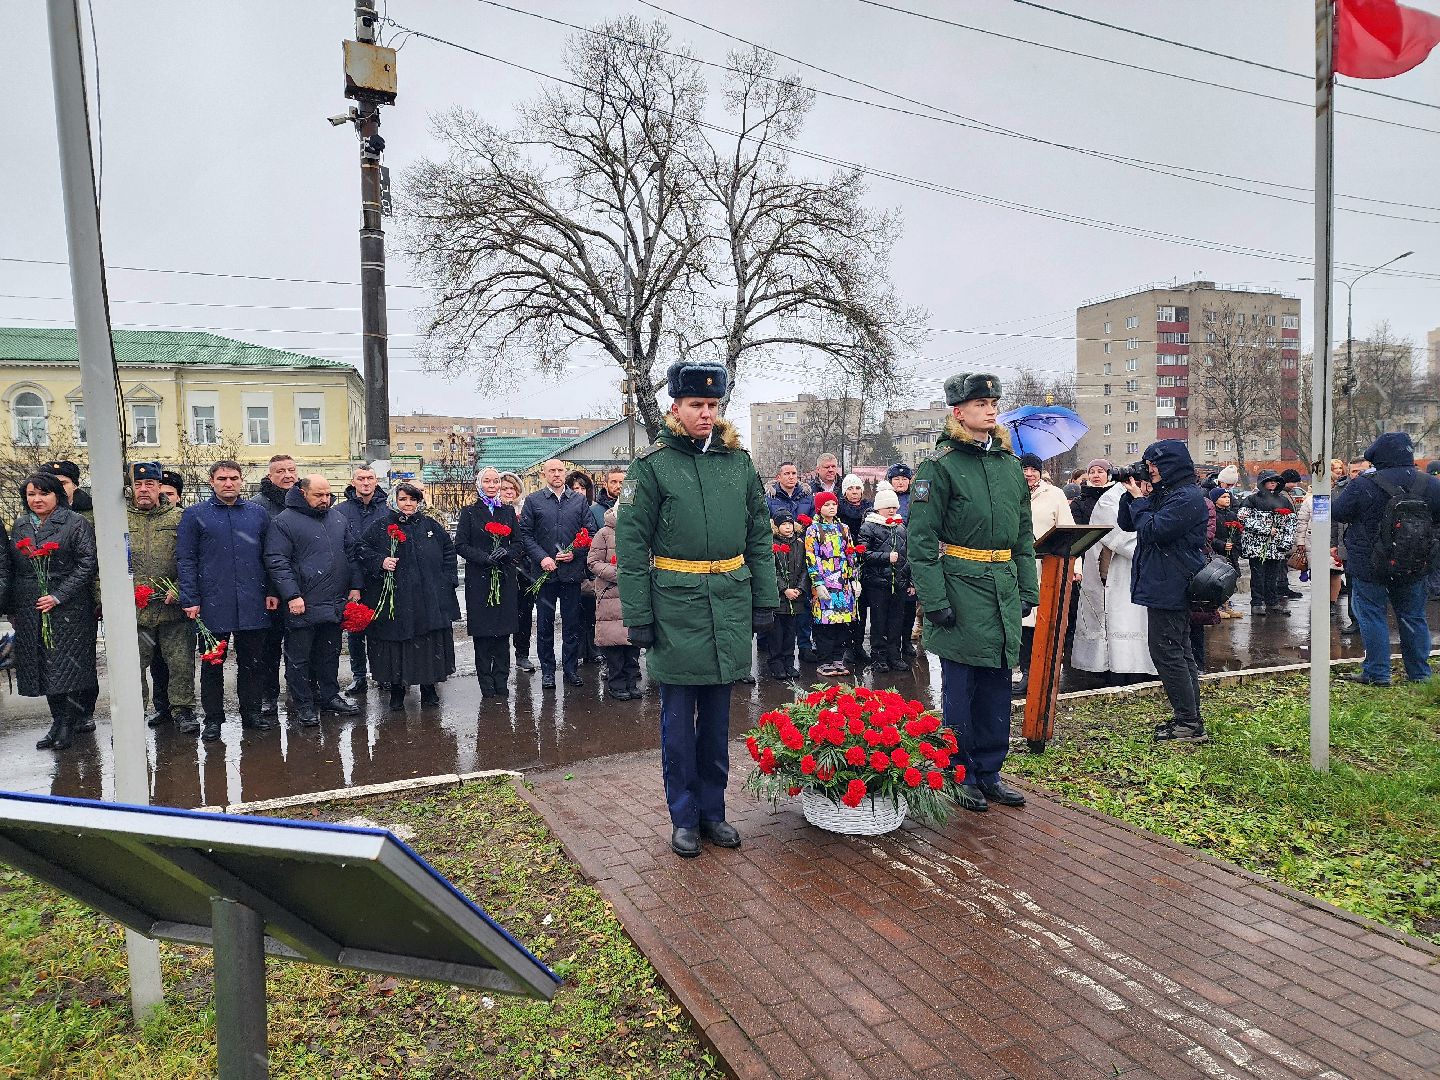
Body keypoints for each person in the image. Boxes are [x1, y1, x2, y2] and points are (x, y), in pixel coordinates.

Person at [616, 360, 777, 858]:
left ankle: (714, 813)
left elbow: (758, 535)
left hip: (728, 603)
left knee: (718, 724)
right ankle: (683, 817)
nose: (706, 414)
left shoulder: (739, 463)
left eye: (712, 405)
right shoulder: (653, 467)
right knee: (677, 728)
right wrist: (638, 614)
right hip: (675, 609)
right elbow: (630, 544)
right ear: (675, 408)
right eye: (696, 405)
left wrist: (764, 599)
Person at [909, 373, 1036, 812]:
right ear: (957, 411)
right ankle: (958, 772)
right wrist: (935, 600)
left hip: (1001, 587)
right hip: (961, 587)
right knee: (961, 687)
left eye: (994, 401)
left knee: (998, 683)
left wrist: (1028, 588)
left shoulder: (1008, 465)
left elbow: (1023, 535)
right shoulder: (939, 467)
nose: (991, 408)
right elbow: (921, 541)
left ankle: (990, 770)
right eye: (981, 402)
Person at [1117, 440, 1210, 742]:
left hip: (1173, 583)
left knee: (1168, 653)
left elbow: (1153, 530)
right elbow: (1128, 524)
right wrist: (1130, 494)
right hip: (1163, 580)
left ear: (1172, 464)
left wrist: (1140, 500)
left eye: (1154, 464)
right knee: (1178, 652)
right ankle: (1189, 718)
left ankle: (1189, 723)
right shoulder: (1168, 494)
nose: (1150, 470)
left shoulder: (1187, 498)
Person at [178, 460, 275, 740]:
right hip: (212, 602)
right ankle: (213, 719)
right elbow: (186, 559)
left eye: (233, 478)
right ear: (212, 481)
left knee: (252, 662)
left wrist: (270, 591)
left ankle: (252, 713)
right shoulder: (195, 515)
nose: (228, 483)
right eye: (222, 478)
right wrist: (190, 598)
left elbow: (270, 557)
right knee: (212, 664)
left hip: (253, 600)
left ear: (241, 481)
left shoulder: (257, 515)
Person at [1334, 432, 1440, 686]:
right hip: (1414, 562)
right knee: (1413, 616)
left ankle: (1378, 673)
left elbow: (1338, 511)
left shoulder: (1364, 484)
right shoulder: (1430, 484)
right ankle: (1420, 674)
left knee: (1372, 615)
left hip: (1371, 563)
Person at [6, 472, 98, 752]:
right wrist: (13, 606)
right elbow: (13, 567)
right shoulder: (22, 524)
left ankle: (68, 724)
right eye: (31, 494)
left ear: (57, 495)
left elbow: (86, 564)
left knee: (66, 666)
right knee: (44, 667)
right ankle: (57, 721)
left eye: (43, 494)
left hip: (68, 605)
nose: (37, 500)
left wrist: (58, 595)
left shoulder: (75, 522)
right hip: (31, 604)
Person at [263, 474, 362, 726]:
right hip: (302, 602)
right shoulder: (284, 521)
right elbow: (277, 561)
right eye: (318, 495)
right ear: (303, 493)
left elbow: (350, 554)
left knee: (330, 653)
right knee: (299, 658)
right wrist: (292, 595)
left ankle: (329, 696)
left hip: (334, 601)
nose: (325, 500)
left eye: (328, 494)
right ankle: (304, 704)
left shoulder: (337, 519)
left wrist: (355, 585)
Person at [361, 481, 460, 709]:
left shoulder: (430, 525)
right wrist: (380, 562)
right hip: (398, 598)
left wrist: (447, 580)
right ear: (393, 501)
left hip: (428, 598)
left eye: (412, 499)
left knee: (427, 644)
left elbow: (448, 550)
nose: (408, 504)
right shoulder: (380, 526)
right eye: (403, 499)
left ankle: (428, 688)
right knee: (398, 645)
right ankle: (397, 690)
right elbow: (362, 550)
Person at [127, 462, 197, 735]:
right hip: (135, 611)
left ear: (159, 488)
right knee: (134, 666)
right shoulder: (120, 518)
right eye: (138, 485)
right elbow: (103, 564)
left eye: (150, 485)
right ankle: (134, 714)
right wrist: (108, 598)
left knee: (180, 663)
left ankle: (182, 710)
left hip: (172, 609)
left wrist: (180, 589)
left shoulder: (179, 518)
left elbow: (192, 559)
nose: (144, 490)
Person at [38, 460, 101, 730]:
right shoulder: (37, 515)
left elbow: (95, 559)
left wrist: (99, 597)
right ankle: (61, 718)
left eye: (63, 482)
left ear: (74, 484)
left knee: (82, 657)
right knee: (52, 658)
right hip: (48, 598)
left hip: (83, 596)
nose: (58, 488)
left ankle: (84, 711)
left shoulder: (90, 513)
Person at [519, 459, 591, 689]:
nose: (557, 474)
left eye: (560, 470)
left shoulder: (578, 501)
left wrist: (575, 553)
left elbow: (590, 532)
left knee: (571, 624)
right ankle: (548, 671)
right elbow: (526, 536)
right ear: (544, 474)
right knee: (545, 624)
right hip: (545, 574)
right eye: (552, 470)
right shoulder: (534, 501)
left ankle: (570, 669)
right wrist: (542, 558)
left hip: (571, 573)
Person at [455, 467, 518, 703]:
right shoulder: (470, 512)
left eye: (496, 481)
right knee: (483, 636)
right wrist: (484, 557)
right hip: (480, 580)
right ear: (480, 484)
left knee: (502, 635)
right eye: (488, 481)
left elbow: (518, 543)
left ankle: (501, 680)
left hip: (503, 578)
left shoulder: (508, 512)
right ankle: (486, 683)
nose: (492, 485)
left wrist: (507, 552)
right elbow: (460, 544)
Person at [1016, 453, 1075, 695]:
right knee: (1022, 622)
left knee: (1046, 620)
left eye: (1033, 469)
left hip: (1047, 569)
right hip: (1019, 567)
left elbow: (1069, 531)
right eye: (1024, 469)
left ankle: (1047, 672)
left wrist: (1075, 568)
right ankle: (1027, 673)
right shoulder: (1011, 493)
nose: (1029, 474)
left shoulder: (1055, 495)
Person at [250, 454, 299, 717]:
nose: (287, 475)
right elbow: (258, 552)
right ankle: (268, 694)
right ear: (270, 476)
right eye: (280, 471)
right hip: (269, 591)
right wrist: (270, 588)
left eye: (291, 469)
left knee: (300, 646)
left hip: (301, 587)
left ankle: (299, 692)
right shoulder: (258, 507)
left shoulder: (305, 500)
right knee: (269, 647)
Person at [334, 464, 388, 692]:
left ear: (376, 481)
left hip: (382, 577)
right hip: (351, 580)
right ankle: (359, 676)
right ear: (352, 481)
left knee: (382, 628)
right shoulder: (340, 511)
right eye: (361, 478)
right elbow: (342, 548)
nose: (365, 483)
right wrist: (352, 583)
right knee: (355, 630)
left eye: (370, 478)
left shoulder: (387, 509)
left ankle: (383, 673)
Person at [805, 490, 859, 677]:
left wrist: (854, 579)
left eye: (834, 504)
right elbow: (812, 557)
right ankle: (824, 660)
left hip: (843, 585)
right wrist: (817, 583)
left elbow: (850, 554)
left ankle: (838, 658)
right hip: (825, 583)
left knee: (842, 624)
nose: (831, 508)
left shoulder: (844, 528)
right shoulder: (813, 529)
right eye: (827, 505)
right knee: (825, 624)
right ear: (820, 508)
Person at [857, 488, 912, 673]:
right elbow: (862, 554)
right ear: (879, 508)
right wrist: (886, 557)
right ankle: (878, 657)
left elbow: (908, 555)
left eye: (894, 507)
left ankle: (894, 656)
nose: (891, 510)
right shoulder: (868, 526)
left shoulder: (901, 527)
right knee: (879, 622)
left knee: (896, 621)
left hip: (899, 583)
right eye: (887, 507)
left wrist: (910, 581)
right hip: (877, 583)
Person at [588, 504, 639, 700]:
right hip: (610, 594)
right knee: (614, 645)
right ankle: (616, 683)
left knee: (632, 642)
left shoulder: (638, 531)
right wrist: (620, 574)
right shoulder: (603, 533)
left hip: (633, 595)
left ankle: (631, 681)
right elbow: (593, 562)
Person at [766, 461, 816, 661]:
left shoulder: (806, 497)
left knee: (801, 605)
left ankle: (803, 646)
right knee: (778, 611)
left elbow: (812, 519)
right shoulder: (770, 497)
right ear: (779, 477)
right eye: (786, 473)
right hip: (777, 549)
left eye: (794, 473)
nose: (791, 476)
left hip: (799, 549)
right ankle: (771, 650)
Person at [1239, 470, 1294, 617]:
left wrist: (1286, 542)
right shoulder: (1251, 499)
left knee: (1273, 575)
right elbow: (1243, 518)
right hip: (1256, 546)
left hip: (1276, 546)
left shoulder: (1284, 500)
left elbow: (1291, 522)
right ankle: (1256, 603)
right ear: (1262, 482)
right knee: (1257, 575)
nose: (1273, 483)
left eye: (1275, 481)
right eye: (1270, 480)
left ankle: (1272, 602)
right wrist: (1266, 529)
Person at [500, 471, 538, 673]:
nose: (508, 492)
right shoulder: (493, 510)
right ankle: (501, 655)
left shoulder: (526, 509)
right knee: (503, 614)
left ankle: (522, 653)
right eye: (504, 488)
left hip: (525, 568)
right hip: (502, 568)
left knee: (524, 613)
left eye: (512, 488)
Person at [567, 469, 605, 666]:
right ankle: (580, 650)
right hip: (573, 566)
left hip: (591, 566)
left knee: (592, 611)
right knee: (576, 613)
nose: (579, 491)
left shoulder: (594, 510)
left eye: (582, 488)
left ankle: (593, 648)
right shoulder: (566, 509)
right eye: (574, 488)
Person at [764, 509, 807, 680]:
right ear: (776, 526)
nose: (788, 528)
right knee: (776, 632)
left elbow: (804, 568)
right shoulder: (771, 544)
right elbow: (770, 570)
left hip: (796, 596)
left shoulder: (799, 543)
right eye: (783, 524)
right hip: (779, 597)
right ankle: (776, 662)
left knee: (791, 632)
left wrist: (800, 588)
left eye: (790, 524)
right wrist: (784, 589)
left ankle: (789, 662)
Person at [1209, 486, 1244, 619]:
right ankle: (1216, 608)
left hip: (1231, 552)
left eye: (1228, 497)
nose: (1227, 499)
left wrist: (1236, 547)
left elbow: (1238, 533)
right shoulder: (1213, 515)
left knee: (1230, 580)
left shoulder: (1231, 514)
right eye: (1223, 497)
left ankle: (1227, 606)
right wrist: (1222, 544)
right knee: (1218, 581)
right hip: (1218, 552)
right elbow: (1210, 536)